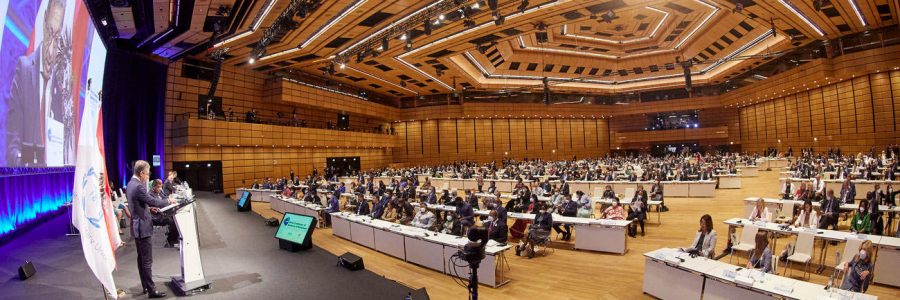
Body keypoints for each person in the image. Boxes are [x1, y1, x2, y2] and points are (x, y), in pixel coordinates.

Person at [5, 0, 72, 167]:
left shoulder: (60, 82)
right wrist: (25, 165)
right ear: (43, 22)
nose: (50, 52)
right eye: (49, 33)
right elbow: (11, 143)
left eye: (56, 38)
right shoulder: (24, 69)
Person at [127, 160, 175, 298]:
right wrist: (168, 201)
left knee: (141, 258)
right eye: (147, 174)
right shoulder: (139, 187)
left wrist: (148, 209)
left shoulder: (130, 184)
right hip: (143, 227)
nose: (148, 176)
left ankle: (145, 287)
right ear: (141, 173)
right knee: (147, 260)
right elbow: (152, 200)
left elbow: (137, 204)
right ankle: (152, 290)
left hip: (136, 226)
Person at [149, 179, 179, 248]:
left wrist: (169, 198)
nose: (160, 189)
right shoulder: (150, 194)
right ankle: (171, 240)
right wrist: (168, 201)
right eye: (158, 187)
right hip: (156, 216)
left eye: (161, 187)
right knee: (173, 221)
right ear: (153, 187)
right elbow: (157, 203)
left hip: (163, 212)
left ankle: (174, 237)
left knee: (175, 216)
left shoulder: (159, 192)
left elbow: (164, 198)